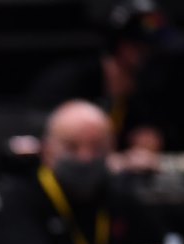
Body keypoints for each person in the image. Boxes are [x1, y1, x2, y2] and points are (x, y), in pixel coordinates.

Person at [0, 99, 168, 244]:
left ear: (111, 149)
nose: (85, 157)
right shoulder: (20, 199)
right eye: (71, 147)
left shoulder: (119, 194)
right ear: (47, 149)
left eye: (97, 146)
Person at [25, 0, 172, 172]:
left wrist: (145, 143)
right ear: (120, 46)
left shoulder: (145, 95)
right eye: (141, 50)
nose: (150, 58)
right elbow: (41, 146)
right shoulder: (68, 83)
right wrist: (110, 160)